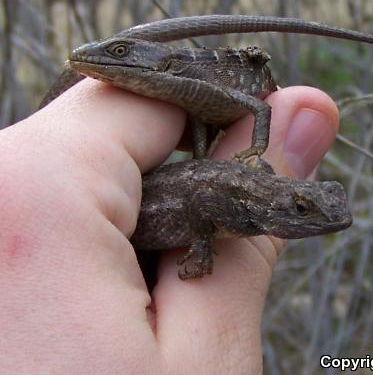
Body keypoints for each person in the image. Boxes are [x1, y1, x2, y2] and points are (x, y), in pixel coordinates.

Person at [0, 77, 339, 373]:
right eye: (301, 208)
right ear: (287, 203)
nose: (316, 217)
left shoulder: (257, 205)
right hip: (145, 214)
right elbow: (202, 202)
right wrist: (203, 251)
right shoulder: (249, 209)